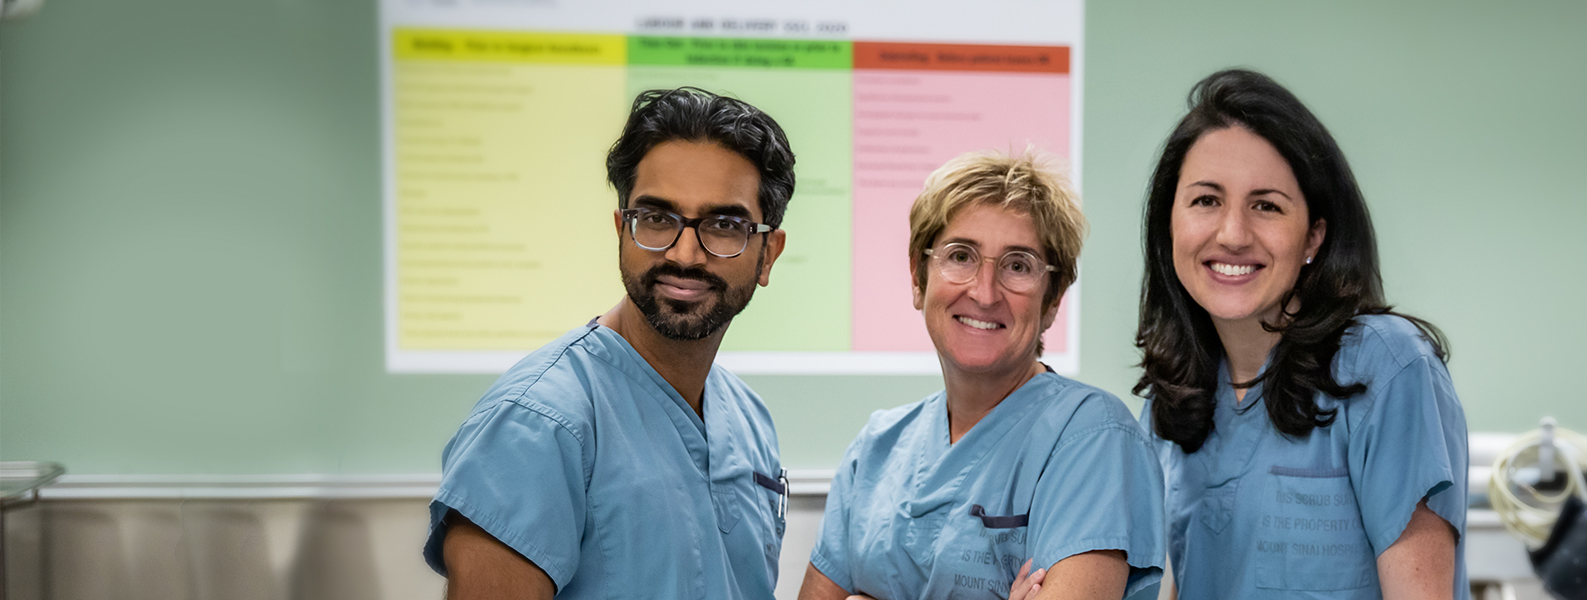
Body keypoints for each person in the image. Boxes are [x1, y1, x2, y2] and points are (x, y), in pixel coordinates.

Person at [423, 87, 795, 599]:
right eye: (657, 218)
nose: (685, 254)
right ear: (622, 229)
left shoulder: (749, 418)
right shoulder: (536, 425)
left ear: (768, 253)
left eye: (724, 225)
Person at [1135, 69, 1468, 599]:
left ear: (1314, 234)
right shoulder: (1170, 399)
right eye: (1206, 200)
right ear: (1169, 222)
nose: (1232, 233)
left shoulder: (1385, 367)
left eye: (1266, 205)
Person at [799, 150, 1165, 600]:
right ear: (918, 276)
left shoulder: (1093, 440)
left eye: (1018, 265)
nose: (985, 292)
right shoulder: (877, 449)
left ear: (1053, 299)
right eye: (961, 256)